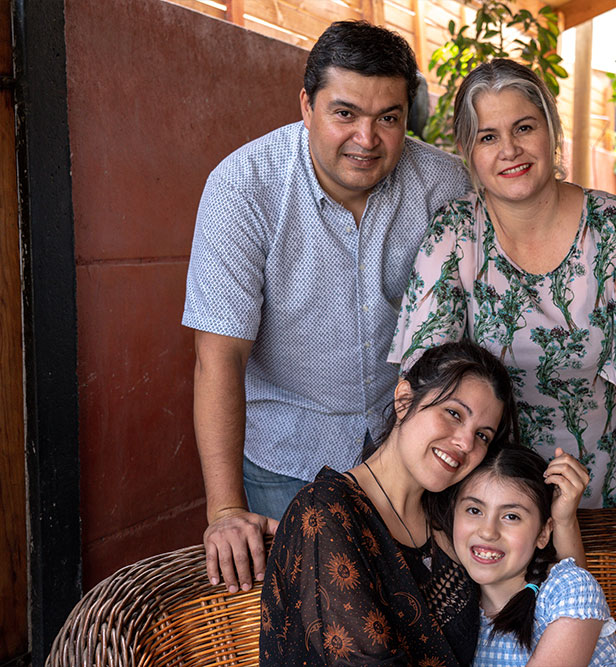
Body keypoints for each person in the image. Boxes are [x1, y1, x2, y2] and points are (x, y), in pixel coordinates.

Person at [182, 21, 470, 593]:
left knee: (413, 617)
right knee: (304, 626)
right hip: (285, 458)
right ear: (306, 107)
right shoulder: (242, 187)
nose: (367, 138)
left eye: (388, 117)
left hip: (408, 451)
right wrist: (224, 511)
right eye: (344, 113)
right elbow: (219, 357)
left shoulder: (442, 184)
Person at [389, 58, 616, 563]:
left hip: (601, 495)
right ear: (467, 151)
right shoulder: (454, 234)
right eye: (487, 137)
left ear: (551, 130)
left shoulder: (615, 229)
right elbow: (427, 379)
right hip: (487, 507)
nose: (509, 150)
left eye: (524, 127)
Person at [259, 340, 590, 665]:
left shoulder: (455, 517)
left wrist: (562, 521)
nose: (464, 442)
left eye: (482, 435)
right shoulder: (328, 511)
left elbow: (561, 601)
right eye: (453, 413)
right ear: (404, 400)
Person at [437, 447, 616, 666]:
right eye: (474, 510)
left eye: (511, 516)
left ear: (543, 533)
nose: (488, 531)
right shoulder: (454, 611)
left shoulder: (565, 591)